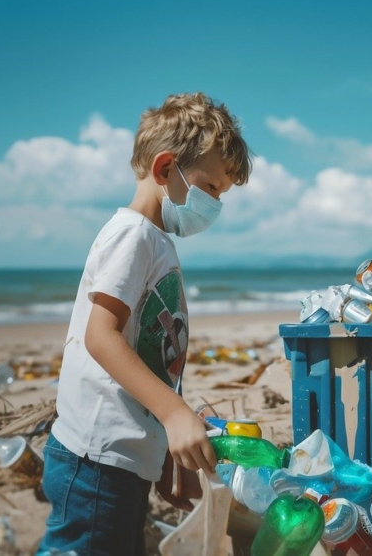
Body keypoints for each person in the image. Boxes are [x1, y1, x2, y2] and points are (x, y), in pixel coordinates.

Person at [37, 93, 252, 555]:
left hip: (124, 457)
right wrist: (176, 415)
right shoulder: (132, 235)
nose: (215, 203)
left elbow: (150, 363)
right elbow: (101, 336)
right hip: (94, 458)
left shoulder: (155, 241)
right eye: (211, 187)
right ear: (164, 169)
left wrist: (164, 453)